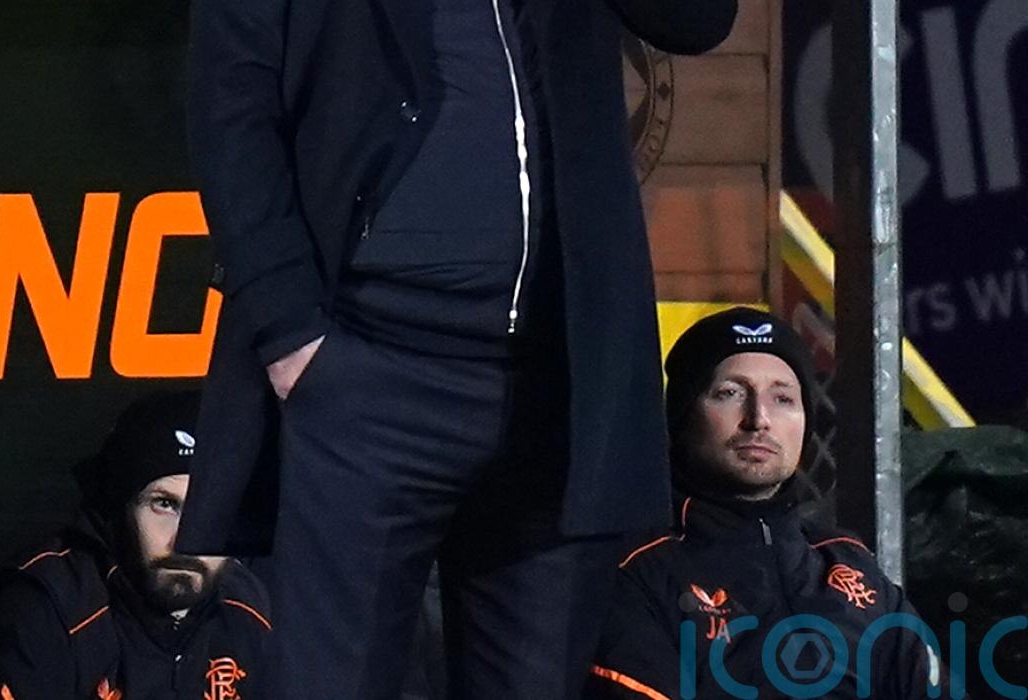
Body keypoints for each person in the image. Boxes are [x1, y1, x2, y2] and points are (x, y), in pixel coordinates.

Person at [179, 0, 739, 696]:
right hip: (368, 374)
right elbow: (232, 108)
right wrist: (292, 333)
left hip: (555, 383)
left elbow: (698, 20)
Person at [584, 308, 948, 699]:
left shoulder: (849, 564)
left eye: (783, 398)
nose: (759, 419)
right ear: (681, 416)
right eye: (730, 394)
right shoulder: (641, 570)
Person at [0, 392, 271, 699]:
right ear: (118, 507)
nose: (187, 540)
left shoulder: (246, 609)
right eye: (164, 504)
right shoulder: (41, 611)